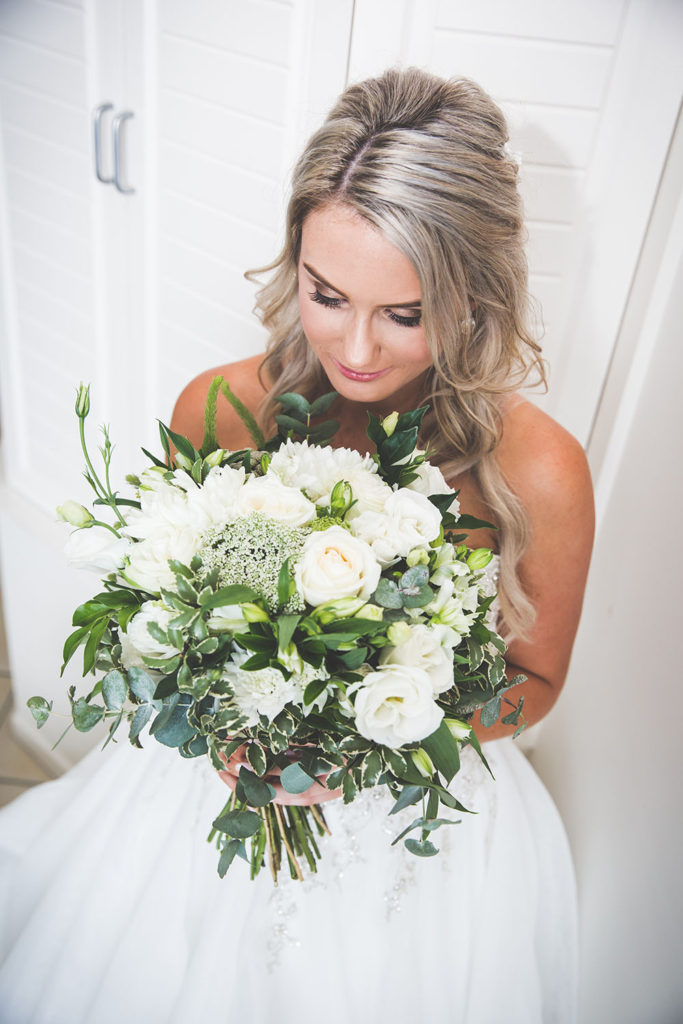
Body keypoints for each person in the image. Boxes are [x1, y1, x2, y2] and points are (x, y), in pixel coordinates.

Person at [0, 68, 593, 1023]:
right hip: (220, 777)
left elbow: (537, 678)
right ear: (294, 261)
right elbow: (168, 609)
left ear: (475, 295)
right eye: (327, 294)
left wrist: (361, 740)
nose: (354, 349)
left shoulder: (541, 471)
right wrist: (222, 711)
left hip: (415, 815)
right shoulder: (219, 406)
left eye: (404, 314)